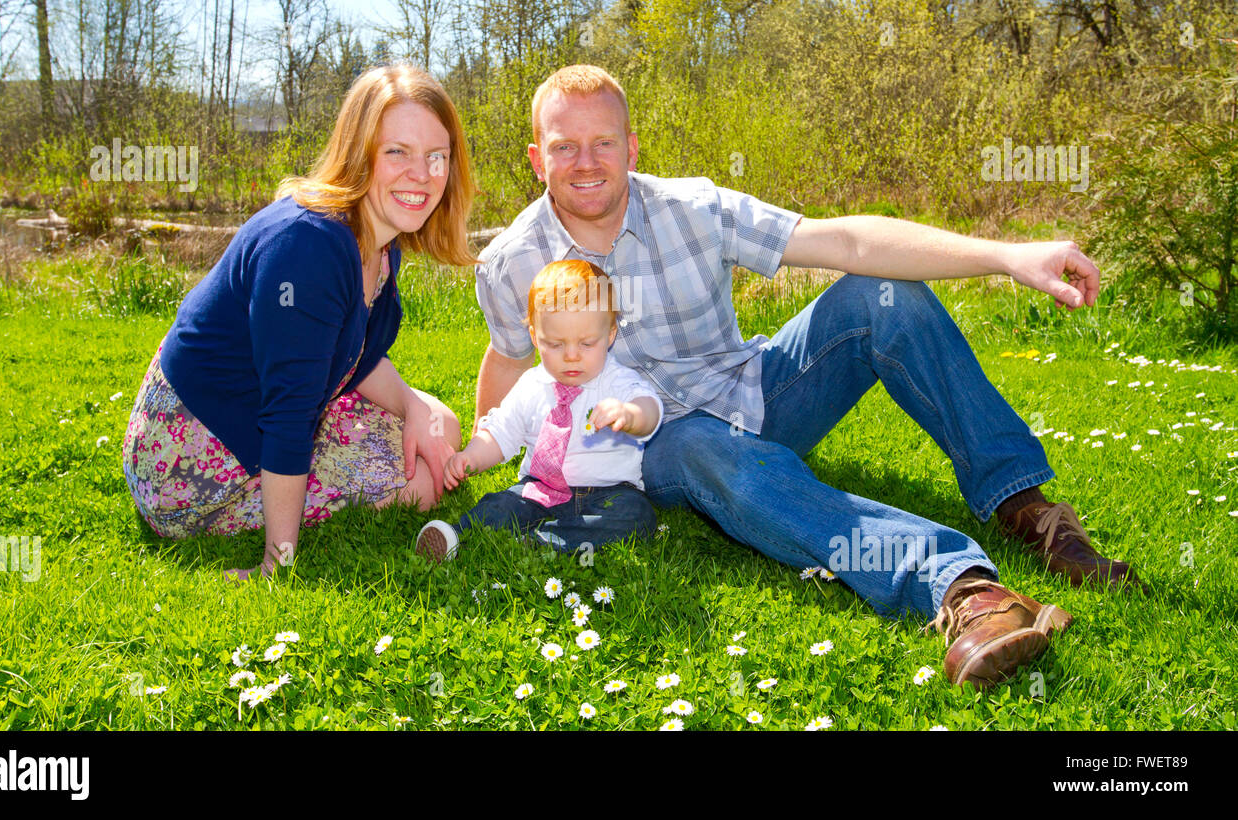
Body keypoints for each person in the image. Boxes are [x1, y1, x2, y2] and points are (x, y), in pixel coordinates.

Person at [471, 63, 1138, 689]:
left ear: (632, 147)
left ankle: (1024, 506)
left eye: (603, 142)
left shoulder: (693, 208)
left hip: (758, 393)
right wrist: (487, 463)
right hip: (656, 446)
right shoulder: (513, 261)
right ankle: (961, 586)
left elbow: (845, 243)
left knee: (883, 295)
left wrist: (1007, 255)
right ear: (536, 158)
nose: (585, 163)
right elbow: (507, 358)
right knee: (699, 443)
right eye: (564, 147)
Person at [122, 64, 474, 581]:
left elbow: (352, 356)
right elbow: (288, 416)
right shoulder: (308, 247)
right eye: (397, 151)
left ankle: (399, 444)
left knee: (440, 422)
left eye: (436, 156)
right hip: (190, 458)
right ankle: (285, 524)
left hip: (253, 414)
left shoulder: (380, 241)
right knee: (422, 481)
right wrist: (276, 565)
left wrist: (413, 407)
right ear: (360, 152)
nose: (421, 174)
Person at [415, 259, 659, 562]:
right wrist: (471, 456)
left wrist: (630, 415)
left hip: (608, 491)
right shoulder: (532, 384)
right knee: (500, 505)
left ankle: (544, 542)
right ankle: (454, 534)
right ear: (534, 336)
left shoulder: (617, 382)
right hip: (539, 489)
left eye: (586, 343)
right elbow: (500, 433)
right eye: (555, 344)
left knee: (635, 514)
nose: (571, 356)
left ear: (609, 335)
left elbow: (650, 409)